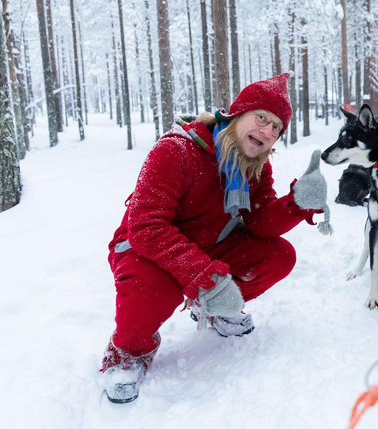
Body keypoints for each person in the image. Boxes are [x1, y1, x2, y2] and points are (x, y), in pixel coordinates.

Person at [100, 72, 329, 403]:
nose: (267, 132)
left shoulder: (256, 167)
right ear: (237, 114)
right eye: (261, 118)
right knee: (155, 292)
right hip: (144, 249)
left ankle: (213, 308)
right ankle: (127, 355)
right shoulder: (175, 150)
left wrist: (296, 203)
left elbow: (259, 222)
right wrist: (205, 276)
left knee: (278, 255)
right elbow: (146, 226)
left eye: (276, 128)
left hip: (209, 246)